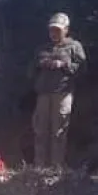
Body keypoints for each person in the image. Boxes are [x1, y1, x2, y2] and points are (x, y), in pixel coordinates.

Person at [31, 13, 87, 169]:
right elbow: (31, 70)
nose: (54, 33)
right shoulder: (42, 48)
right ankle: (39, 167)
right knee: (41, 131)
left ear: (66, 29)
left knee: (59, 131)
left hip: (63, 93)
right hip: (43, 94)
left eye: (58, 30)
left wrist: (63, 65)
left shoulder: (74, 46)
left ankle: (56, 167)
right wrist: (43, 64)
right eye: (52, 30)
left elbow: (82, 69)